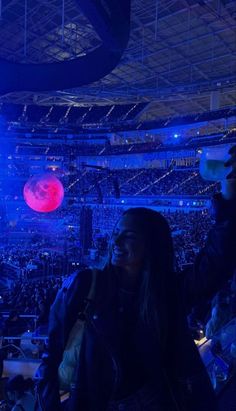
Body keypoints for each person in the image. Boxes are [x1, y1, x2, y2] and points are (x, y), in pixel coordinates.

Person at [35, 147, 236, 411]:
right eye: (117, 232)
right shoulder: (84, 285)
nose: (116, 241)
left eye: (128, 235)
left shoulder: (168, 292)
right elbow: (50, 358)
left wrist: (229, 190)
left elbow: (216, 264)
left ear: (152, 244)